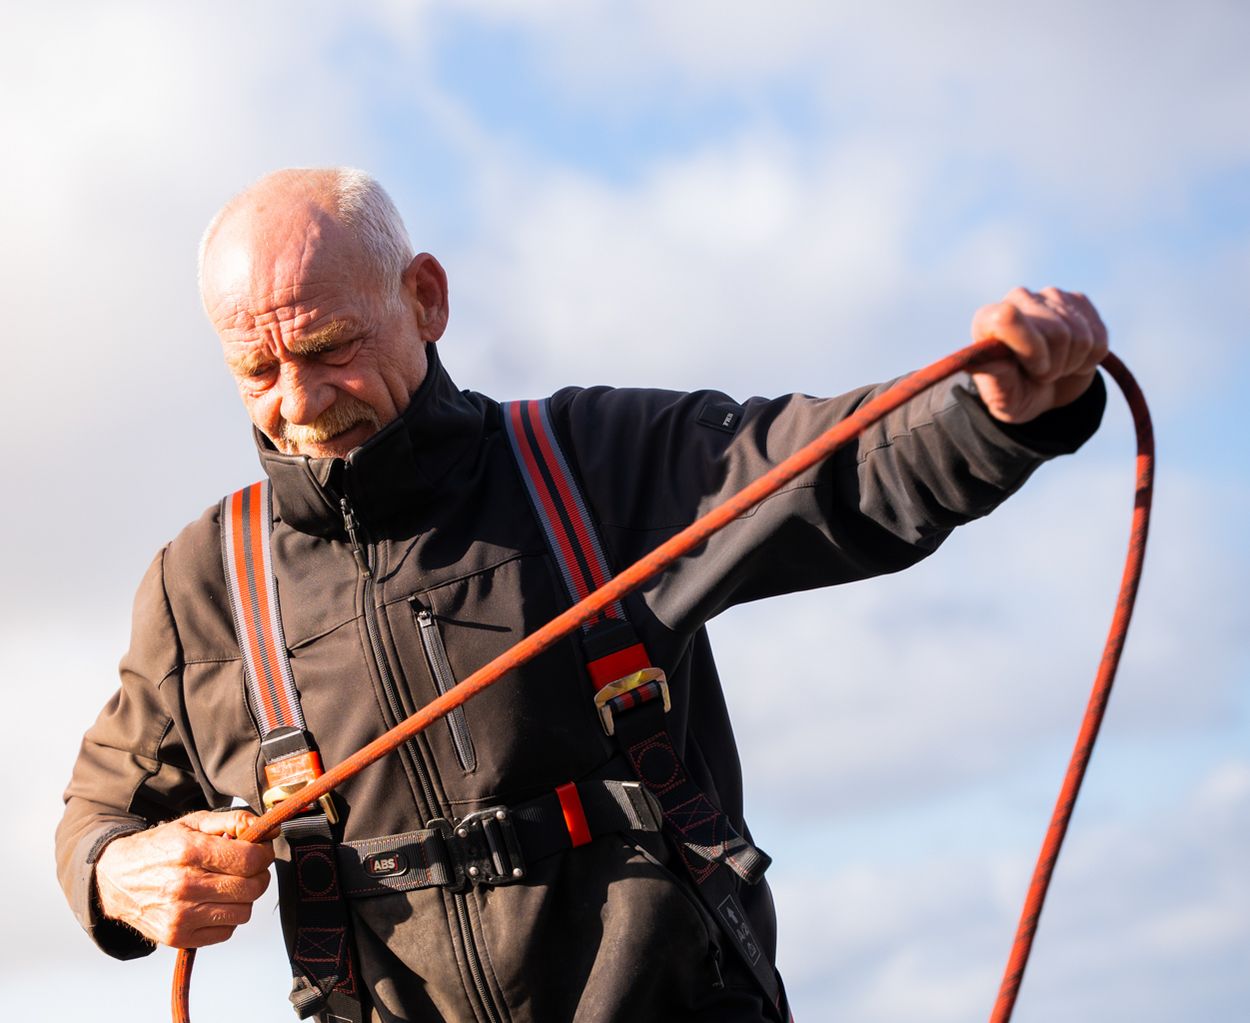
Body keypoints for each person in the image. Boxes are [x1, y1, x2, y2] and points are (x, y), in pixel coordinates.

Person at [57, 167, 1108, 1023]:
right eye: (257, 369)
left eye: (329, 347)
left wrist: (993, 411)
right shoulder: (205, 583)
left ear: (425, 297)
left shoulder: (590, 466)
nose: (299, 403)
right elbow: (98, 817)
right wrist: (119, 873)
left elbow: (838, 469)